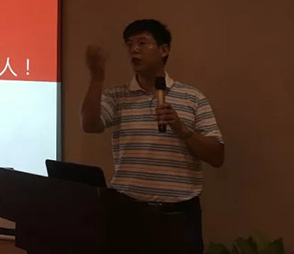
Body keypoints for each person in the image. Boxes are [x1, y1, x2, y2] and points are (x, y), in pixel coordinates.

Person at [81, 19, 224, 254]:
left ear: (164, 50)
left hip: (178, 217)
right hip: (127, 212)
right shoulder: (117, 96)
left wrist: (182, 129)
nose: (134, 50)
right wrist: (97, 77)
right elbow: (90, 125)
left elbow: (217, 156)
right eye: (129, 44)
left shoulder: (192, 97)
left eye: (142, 43)